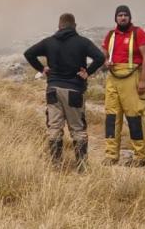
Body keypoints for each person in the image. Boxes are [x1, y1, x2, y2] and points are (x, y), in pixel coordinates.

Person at [24, 13, 105, 169]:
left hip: (53, 89)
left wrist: (42, 69)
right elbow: (100, 57)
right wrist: (88, 71)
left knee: (54, 128)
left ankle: (56, 166)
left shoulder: (49, 42)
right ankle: (82, 167)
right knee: (78, 130)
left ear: (59, 25)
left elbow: (28, 53)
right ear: (74, 25)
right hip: (74, 90)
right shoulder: (82, 42)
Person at [102, 5, 145, 166]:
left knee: (134, 117)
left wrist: (143, 80)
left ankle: (141, 156)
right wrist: (105, 61)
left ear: (130, 17)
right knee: (111, 117)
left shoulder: (139, 33)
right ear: (115, 18)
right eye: (119, 15)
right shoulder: (110, 35)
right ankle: (111, 155)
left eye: (125, 15)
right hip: (113, 77)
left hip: (132, 78)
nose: (122, 18)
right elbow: (103, 52)